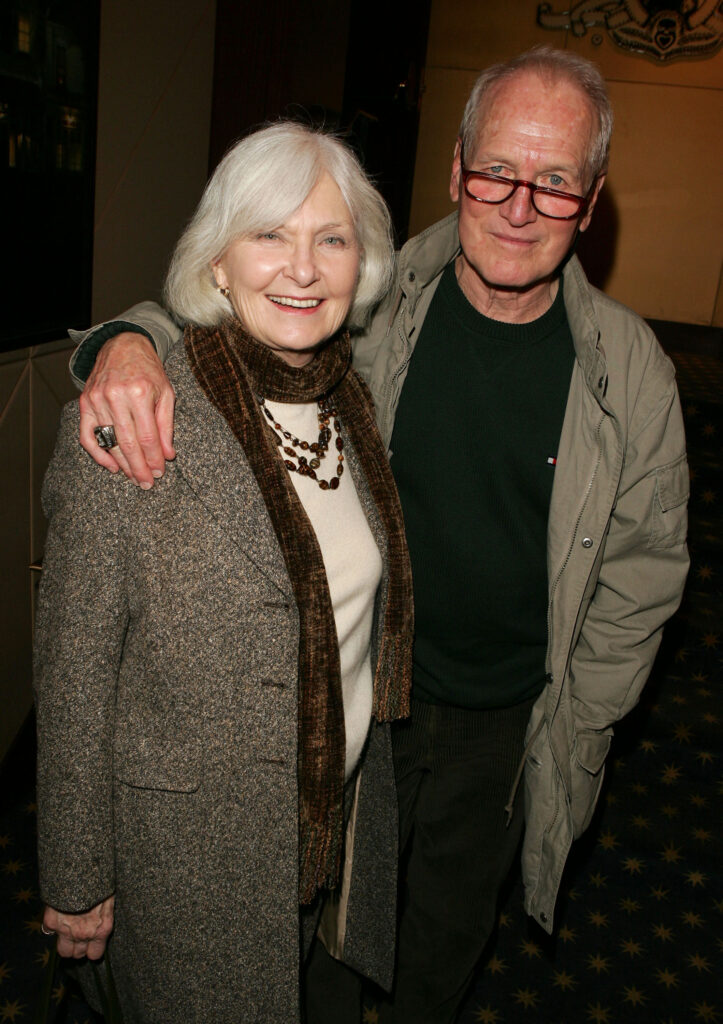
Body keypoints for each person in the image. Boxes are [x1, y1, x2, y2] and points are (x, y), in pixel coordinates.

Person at [67, 47, 689, 1024]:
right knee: (326, 939)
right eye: (496, 171)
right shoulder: (375, 301)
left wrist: (582, 714)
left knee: (440, 946)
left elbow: (647, 572)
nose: (519, 205)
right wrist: (124, 342)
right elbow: (235, 308)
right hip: (363, 698)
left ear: (592, 198)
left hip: (506, 718)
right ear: (456, 171)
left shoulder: (631, 371)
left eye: (555, 182)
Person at [34, 122, 415, 1024]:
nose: (303, 267)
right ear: (215, 263)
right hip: (184, 865)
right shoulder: (133, 419)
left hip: (328, 832)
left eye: (331, 238)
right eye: (268, 235)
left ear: (361, 265)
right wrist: (77, 874)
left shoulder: (353, 406)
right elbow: (74, 672)